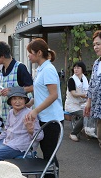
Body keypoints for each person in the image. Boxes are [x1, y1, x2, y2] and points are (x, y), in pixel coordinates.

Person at [25, 38, 64, 178]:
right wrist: (31, 103)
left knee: (49, 155)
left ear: (39, 52)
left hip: (52, 119)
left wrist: (35, 110)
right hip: (45, 117)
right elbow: (43, 93)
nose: (28, 55)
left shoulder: (48, 69)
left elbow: (53, 95)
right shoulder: (41, 69)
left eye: (30, 52)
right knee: (47, 154)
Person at [0, 87, 43, 168]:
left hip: (20, 147)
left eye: (20, 98)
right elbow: (6, 131)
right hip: (8, 143)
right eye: (14, 99)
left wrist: (30, 130)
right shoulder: (10, 112)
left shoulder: (29, 114)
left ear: (25, 100)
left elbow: (40, 136)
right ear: (10, 101)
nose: (17, 102)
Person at [84, 30, 101, 157]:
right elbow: (91, 85)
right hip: (99, 110)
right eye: (94, 45)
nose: (95, 47)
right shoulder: (97, 63)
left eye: (98, 44)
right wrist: (88, 103)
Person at [64, 61, 89, 142]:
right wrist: (84, 95)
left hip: (83, 103)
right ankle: (73, 133)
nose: (76, 69)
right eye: (75, 68)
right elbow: (73, 93)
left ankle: (86, 129)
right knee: (85, 115)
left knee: (93, 112)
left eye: (78, 68)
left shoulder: (85, 79)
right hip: (72, 105)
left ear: (82, 69)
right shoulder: (71, 80)